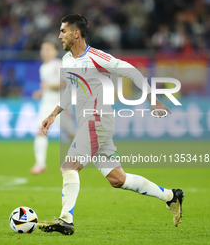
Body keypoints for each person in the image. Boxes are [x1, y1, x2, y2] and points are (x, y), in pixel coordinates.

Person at [37, 14, 184, 235]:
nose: (59, 36)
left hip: (98, 120)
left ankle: (66, 219)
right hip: (89, 123)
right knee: (118, 179)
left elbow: (131, 72)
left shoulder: (97, 57)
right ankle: (171, 196)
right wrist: (54, 113)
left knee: (68, 166)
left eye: (63, 31)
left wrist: (152, 100)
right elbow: (70, 89)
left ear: (76, 33)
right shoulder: (67, 60)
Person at [31, 39, 75, 174]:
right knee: (41, 130)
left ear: (55, 51)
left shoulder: (58, 65)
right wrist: (40, 92)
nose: (45, 51)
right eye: (43, 49)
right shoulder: (43, 67)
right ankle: (40, 163)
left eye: (48, 49)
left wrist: (49, 86)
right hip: (46, 104)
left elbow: (66, 83)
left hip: (60, 105)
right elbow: (46, 85)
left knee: (72, 134)